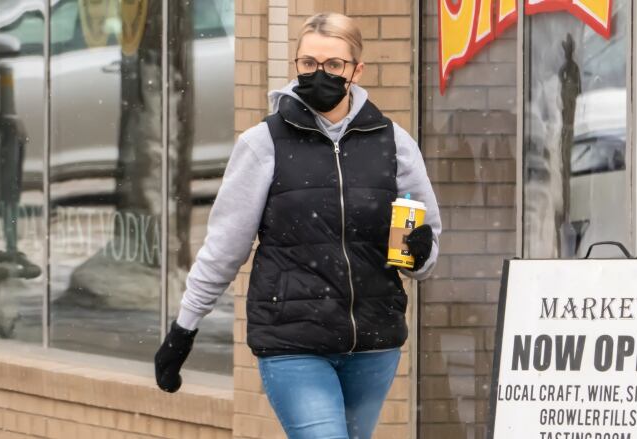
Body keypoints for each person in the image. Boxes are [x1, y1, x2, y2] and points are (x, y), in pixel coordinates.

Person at [154, 12, 441, 439]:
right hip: (293, 341)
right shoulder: (263, 143)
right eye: (308, 63)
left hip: (373, 342)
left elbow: (424, 245)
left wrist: (421, 254)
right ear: (296, 65)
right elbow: (224, 248)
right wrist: (184, 328)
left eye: (333, 65)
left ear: (356, 71)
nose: (319, 74)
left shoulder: (393, 143)